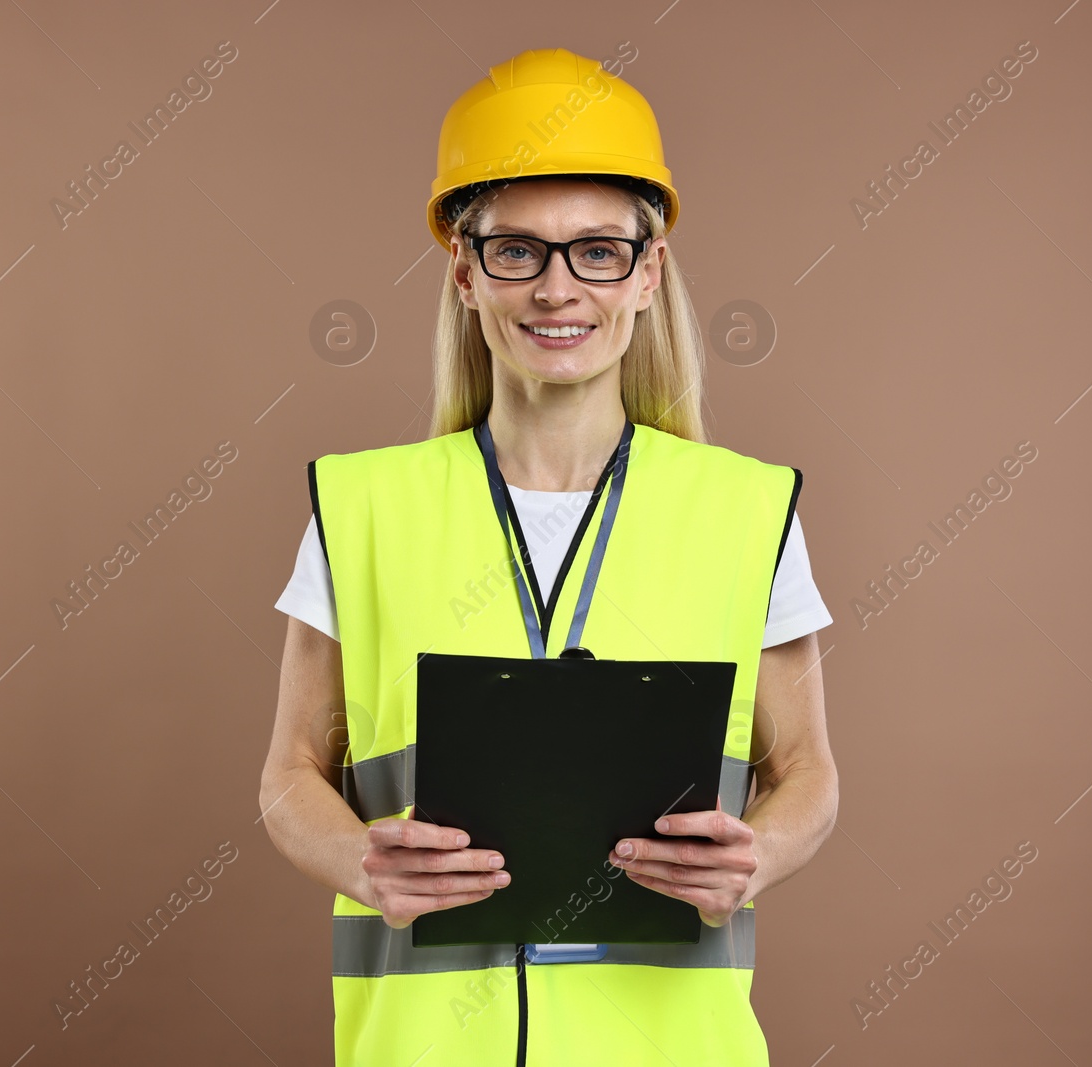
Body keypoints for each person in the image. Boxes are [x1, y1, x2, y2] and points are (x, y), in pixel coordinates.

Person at [260, 46, 839, 1067]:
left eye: (598, 250)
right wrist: (359, 859)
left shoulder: (747, 510)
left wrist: (757, 856)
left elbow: (805, 772)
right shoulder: (361, 508)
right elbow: (290, 775)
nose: (557, 288)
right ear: (466, 273)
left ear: (648, 272)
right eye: (517, 250)